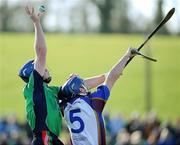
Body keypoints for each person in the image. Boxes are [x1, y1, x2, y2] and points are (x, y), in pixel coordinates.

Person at [19, 6, 106, 145]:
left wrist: (107, 76)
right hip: (44, 139)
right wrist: (36, 23)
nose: (46, 69)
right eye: (43, 68)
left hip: (53, 140)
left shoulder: (50, 91)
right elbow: (41, 52)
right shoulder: (34, 86)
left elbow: (77, 86)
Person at [58, 48, 137, 145]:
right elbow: (112, 77)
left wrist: (108, 74)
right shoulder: (93, 103)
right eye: (83, 85)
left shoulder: (65, 107)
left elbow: (67, 91)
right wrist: (127, 55)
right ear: (82, 90)